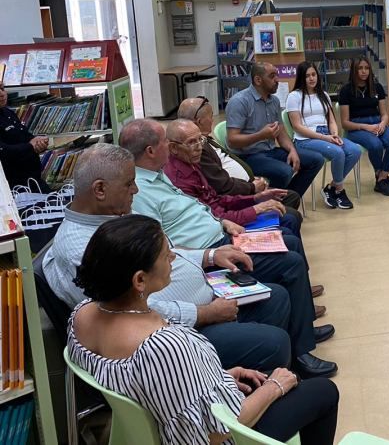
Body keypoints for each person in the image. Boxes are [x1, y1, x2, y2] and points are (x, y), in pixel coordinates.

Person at [68, 215, 339, 445]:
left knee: (272, 377)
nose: (173, 256)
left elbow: (159, 386)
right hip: (222, 434)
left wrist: (219, 378)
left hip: (176, 407)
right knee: (322, 391)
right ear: (140, 280)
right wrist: (274, 387)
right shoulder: (162, 345)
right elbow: (214, 433)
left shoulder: (83, 315)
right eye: (165, 254)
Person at [43, 143, 296, 372]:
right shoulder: (83, 248)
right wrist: (204, 313)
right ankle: (253, 389)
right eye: (129, 184)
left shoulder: (111, 217)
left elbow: (166, 251)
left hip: (199, 306)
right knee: (275, 343)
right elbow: (126, 312)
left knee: (276, 297)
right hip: (176, 335)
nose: (136, 190)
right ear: (100, 189)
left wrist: (209, 255)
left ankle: (269, 379)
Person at [121, 119, 337, 378]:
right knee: (289, 261)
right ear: (150, 151)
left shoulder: (160, 175)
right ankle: (300, 352)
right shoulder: (143, 192)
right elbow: (164, 247)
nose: (170, 146)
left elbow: (203, 205)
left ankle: (301, 329)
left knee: (287, 241)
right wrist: (216, 247)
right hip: (210, 252)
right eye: (166, 142)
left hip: (220, 236)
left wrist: (225, 220)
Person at [164, 119, 301, 237]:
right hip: (221, 229)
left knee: (290, 216)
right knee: (289, 223)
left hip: (226, 213)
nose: (199, 147)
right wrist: (256, 208)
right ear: (173, 148)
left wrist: (255, 198)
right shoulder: (180, 179)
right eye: (191, 142)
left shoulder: (190, 162)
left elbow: (217, 199)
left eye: (200, 140)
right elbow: (214, 217)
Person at [177, 97, 304, 213]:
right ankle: (273, 224)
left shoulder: (205, 139)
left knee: (290, 196)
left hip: (245, 186)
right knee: (290, 207)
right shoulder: (198, 149)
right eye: (211, 116)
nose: (213, 120)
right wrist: (251, 187)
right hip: (237, 195)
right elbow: (221, 185)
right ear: (199, 122)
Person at [225, 62, 324, 200]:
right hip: (247, 156)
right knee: (284, 172)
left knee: (316, 160)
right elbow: (232, 140)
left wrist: (292, 150)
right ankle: (279, 201)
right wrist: (261, 135)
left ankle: (287, 200)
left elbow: (281, 133)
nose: (277, 79)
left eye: (277, 75)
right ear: (258, 80)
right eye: (272, 76)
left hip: (270, 151)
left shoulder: (274, 101)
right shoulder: (239, 101)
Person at [286, 62, 362, 210]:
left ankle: (332, 187)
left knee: (355, 150)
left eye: (313, 74)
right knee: (338, 153)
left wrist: (334, 134)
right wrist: (325, 138)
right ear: (301, 78)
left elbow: (331, 120)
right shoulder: (294, 96)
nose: (311, 78)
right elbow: (297, 126)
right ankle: (339, 191)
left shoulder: (324, 95)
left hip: (327, 134)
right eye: (307, 76)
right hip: (305, 139)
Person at [338, 57, 389, 197]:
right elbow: (345, 123)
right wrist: (366, 127)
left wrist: (383, 124)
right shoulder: (346, 90)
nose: (364, 71)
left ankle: (382, 177)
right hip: (357, 127)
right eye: (360, 68)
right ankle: (382, 179)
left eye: (366, 68)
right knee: (375, 144)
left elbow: (384, 114)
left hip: (377, 122)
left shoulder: (377, 87)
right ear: (354, 71)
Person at [0, 81, 49, 190]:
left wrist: (39, 142)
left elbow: (24, 135)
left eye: (2, 88)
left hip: (33, 180)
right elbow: (3, 151)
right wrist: (30, 146)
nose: (2, 94)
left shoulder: (7, 112)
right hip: (12, 186)